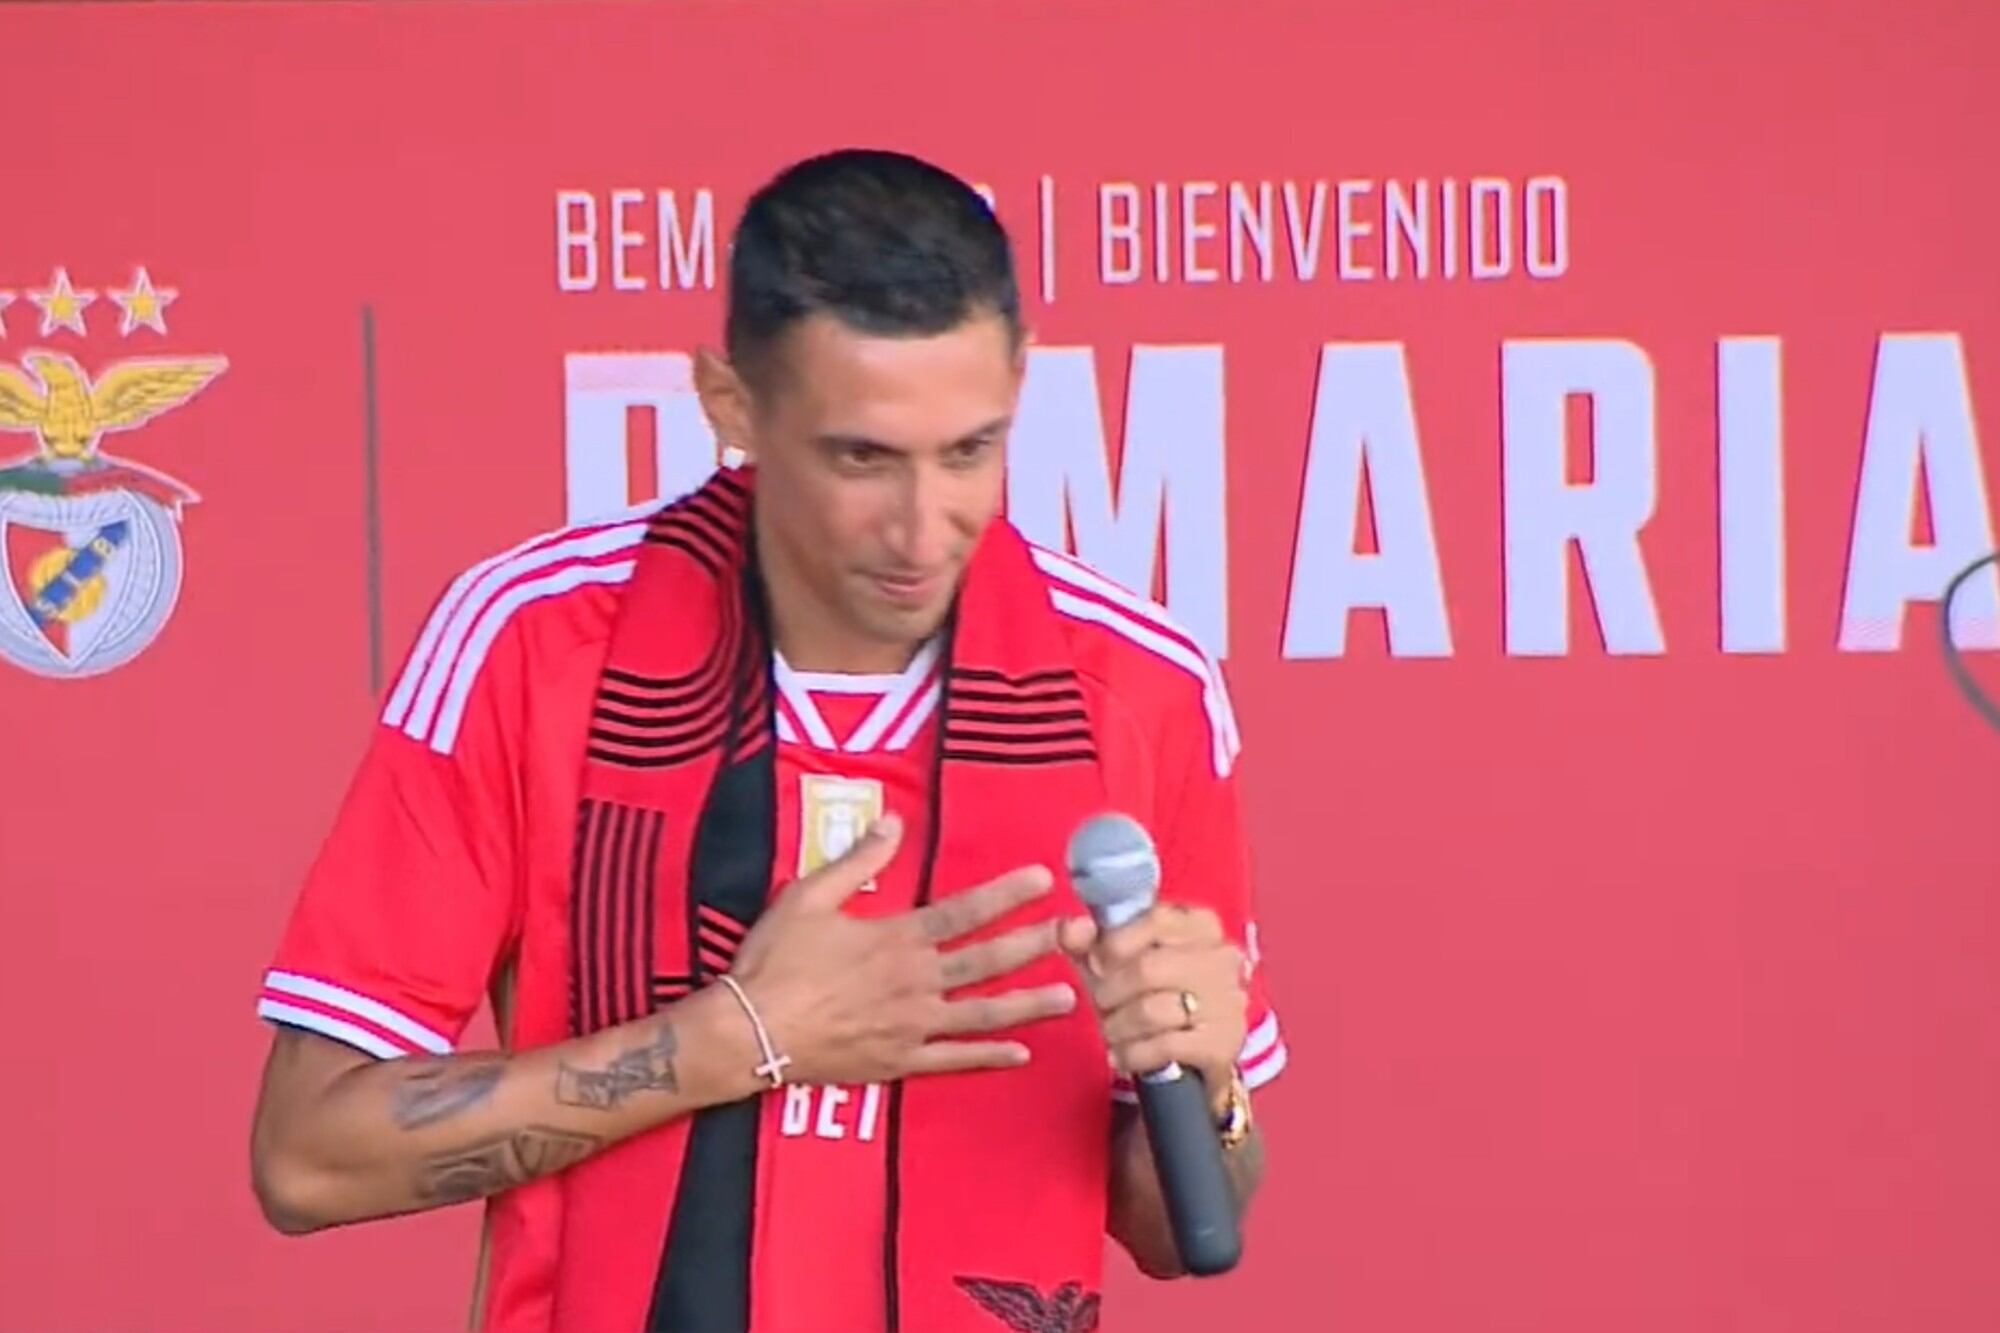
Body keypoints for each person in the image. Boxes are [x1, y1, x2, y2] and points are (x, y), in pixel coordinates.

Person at [249, 147, 1289, 1333]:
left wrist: (1204, 1084)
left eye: (968, 451)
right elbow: (307, 1155)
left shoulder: (1141, 684)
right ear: (729, 403)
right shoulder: (531, 642)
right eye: (861, 458)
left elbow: (1181, 1229)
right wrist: (741, 1038)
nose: (921, 526)